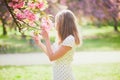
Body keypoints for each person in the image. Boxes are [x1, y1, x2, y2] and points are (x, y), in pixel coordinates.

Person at [33, 9, 81, 80]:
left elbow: (52, 58)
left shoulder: (70, 39)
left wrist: (47, 38)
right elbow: (51, 54)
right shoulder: (62, 39)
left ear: (63, 24)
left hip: (64, 76)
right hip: (58, 74)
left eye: (57, 21)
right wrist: (39, 43)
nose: (55, 23)